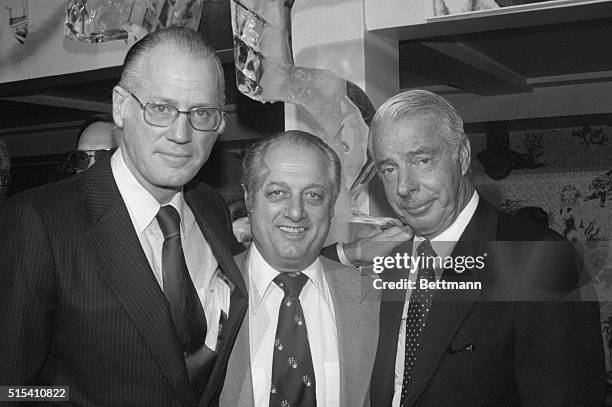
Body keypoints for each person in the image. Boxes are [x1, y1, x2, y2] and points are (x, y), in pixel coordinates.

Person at [0, 27, 247, 407]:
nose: (182, 134)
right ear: (120, 106)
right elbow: (10, 389)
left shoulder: (209, 207)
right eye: (161, 109)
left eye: (202, 113)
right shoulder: (40, 222)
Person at [352, 90, 604, 406]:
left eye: (422, 160)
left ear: (463, 155)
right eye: (389, 169)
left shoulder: (542, 261)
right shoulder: (390, 261)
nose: (404, 186)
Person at [219, 130, 379, 407]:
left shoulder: (372, 297)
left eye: (313, 195)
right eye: (277, 192)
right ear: (249, 199)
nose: (296, 212)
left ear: (331, 206)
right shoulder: (208, 290)